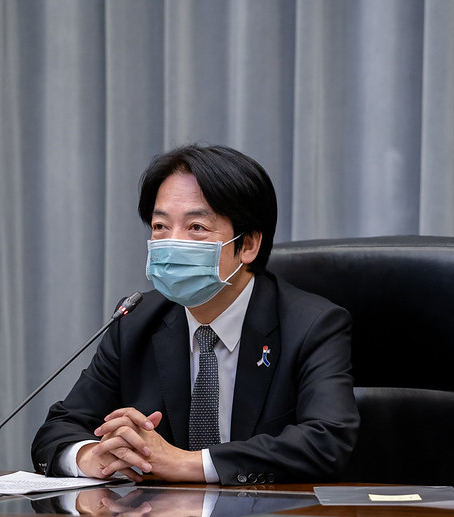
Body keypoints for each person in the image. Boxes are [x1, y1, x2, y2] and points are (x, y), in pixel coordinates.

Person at [31, 144, 359, 485]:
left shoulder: (312, 325)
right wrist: (90, 456)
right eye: (160, 226)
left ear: (248, 245)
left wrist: (188, 463)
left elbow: (327, 440)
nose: (172, 243)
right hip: (158, 514)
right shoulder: (135, 321)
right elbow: (57, 430)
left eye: (197, 227)